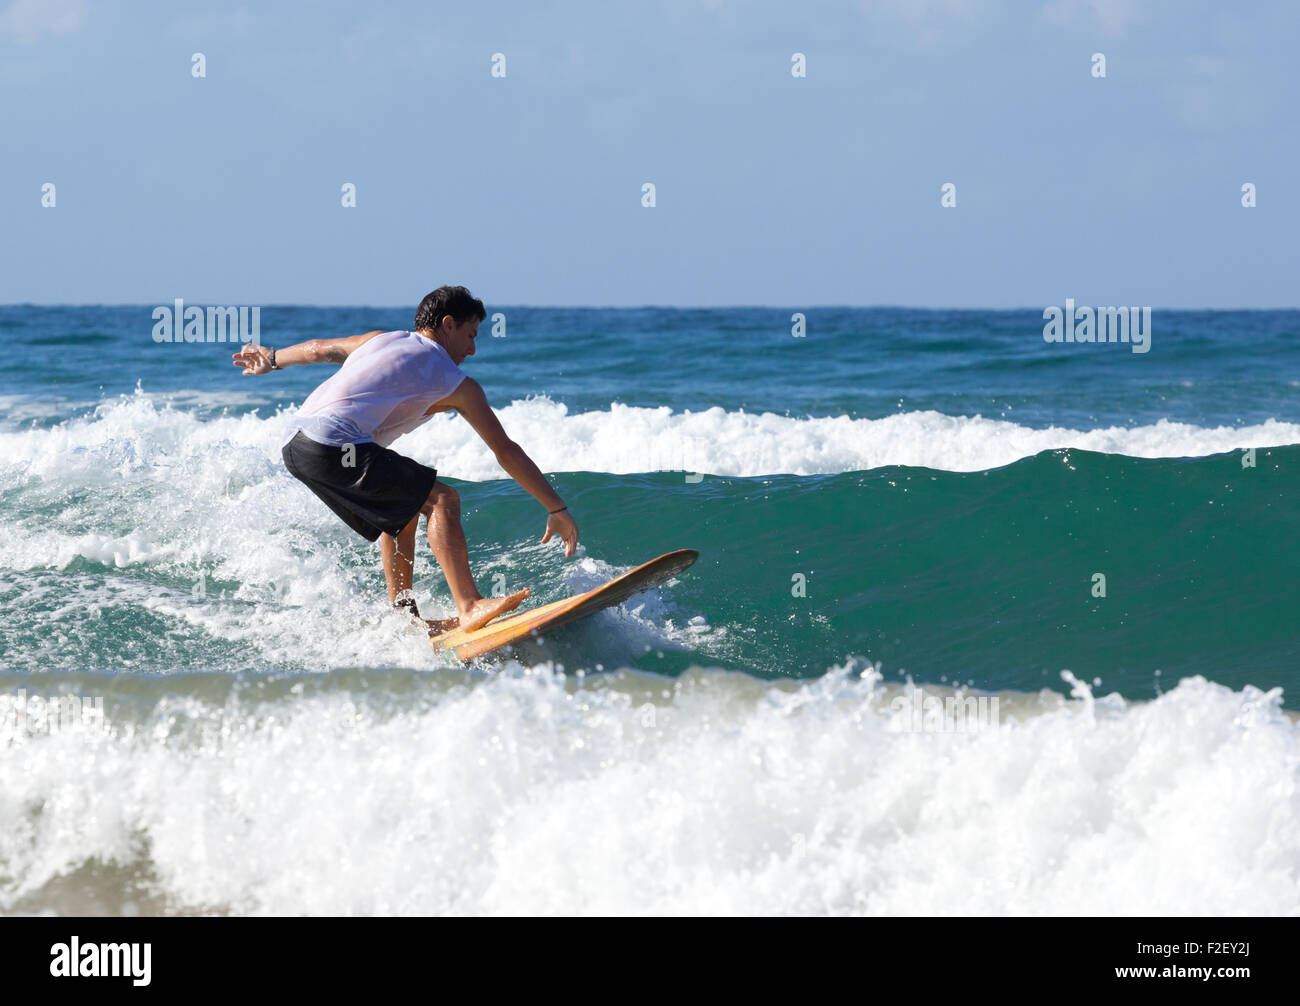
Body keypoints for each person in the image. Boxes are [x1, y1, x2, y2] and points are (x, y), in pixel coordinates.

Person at [231, 286, 579, 635]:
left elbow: (320, 349)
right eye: (470, 335)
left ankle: (405, 620)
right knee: (442, 499)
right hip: (333, 442)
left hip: (296, 442)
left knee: (405, 508)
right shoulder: (453, 379)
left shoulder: (379, 340)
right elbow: (505, 450)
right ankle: (470, 605)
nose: (472, 349)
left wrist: (272, 359)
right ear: (447, 324)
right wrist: (556, 508)